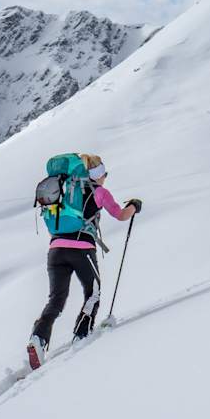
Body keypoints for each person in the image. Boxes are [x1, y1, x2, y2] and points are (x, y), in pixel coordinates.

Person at [27, 154, 140, 369]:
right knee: (93, 292)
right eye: (104, 172)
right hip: (82, 249)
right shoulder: (99, 192)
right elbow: (121, 215)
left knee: (56, 299)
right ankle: (81, 335)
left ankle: (38, 338)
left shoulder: (64, 191)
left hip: (55, 249)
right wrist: (134, 205)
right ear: (97, 173)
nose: (106, 176)